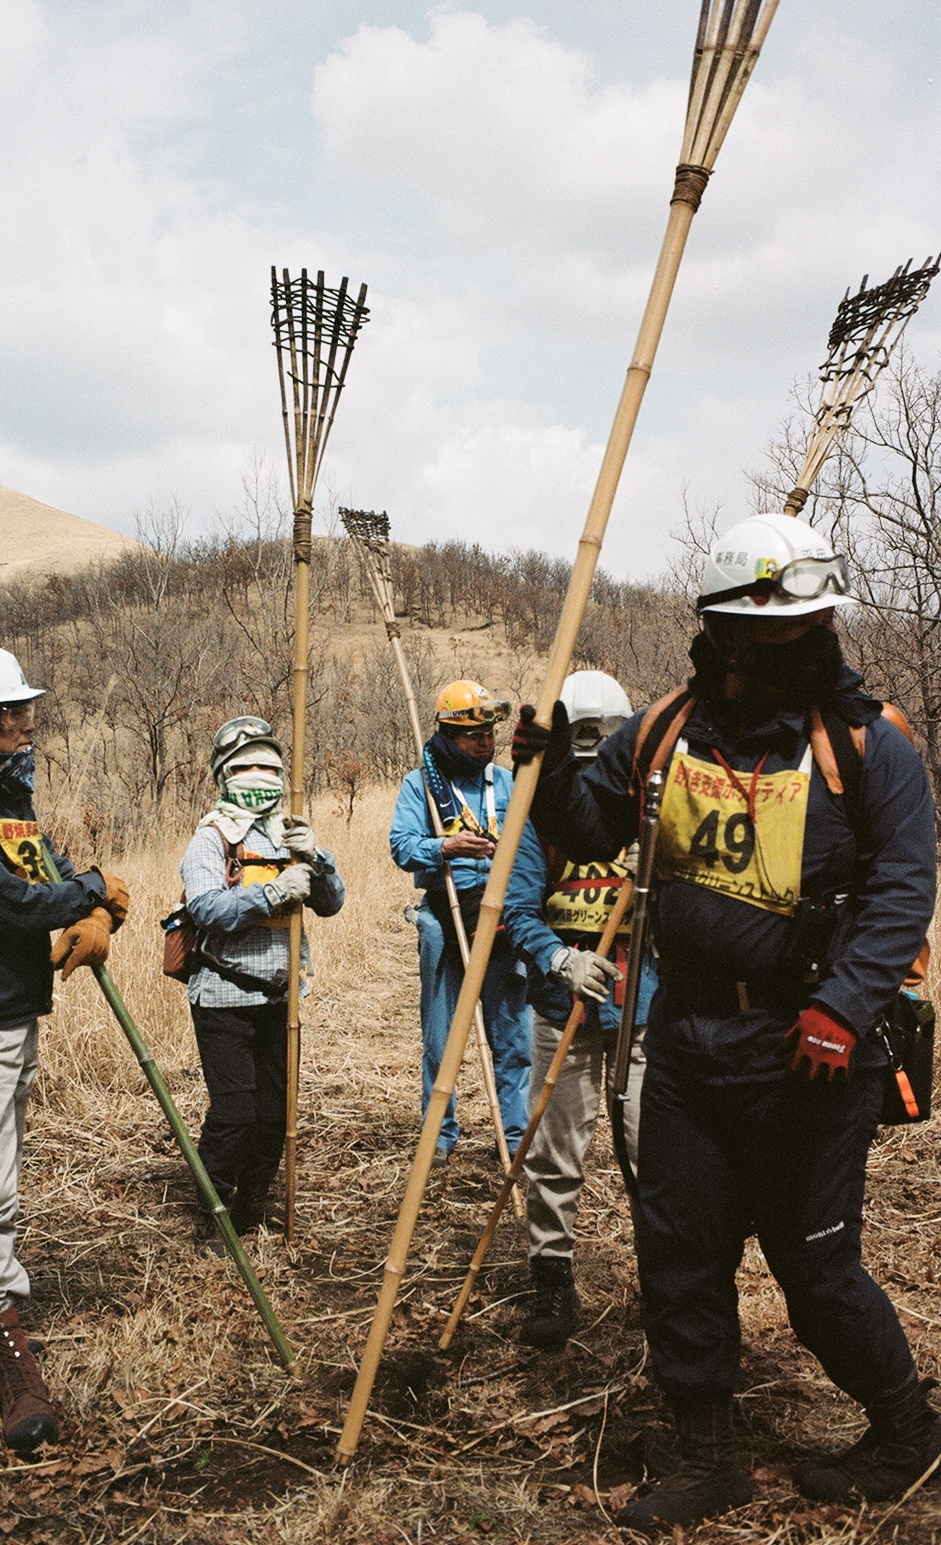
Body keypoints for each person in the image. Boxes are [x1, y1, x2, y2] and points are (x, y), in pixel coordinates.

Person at [513, 513, 940, 1531]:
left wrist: (842, 1008)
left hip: (811, 1056)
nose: (772, 647)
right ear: (717, 629)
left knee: (816, 1267)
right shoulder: (663, 729)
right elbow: (593, 830)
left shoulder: (868, 747)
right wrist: (549, 775)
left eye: (798, 628)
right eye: (754, 630)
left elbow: (902, 890)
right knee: (680, 1257)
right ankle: (708, 1457)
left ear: (821, 627)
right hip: (688, 1046)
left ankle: (907, 1433)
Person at [0, 641, 129, 1453]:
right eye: (12, 712)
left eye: (26, 709)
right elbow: (11, 905)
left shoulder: (4, 799)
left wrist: (92, 906)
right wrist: (90, 891)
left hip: (5, 1016)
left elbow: (47, 872)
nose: (28, 722)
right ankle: (15, 1373)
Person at [503, 671, 657, 1349]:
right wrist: (561, 959)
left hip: (640, 1002)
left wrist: (653, 881)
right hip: (561, 1001)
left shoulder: (648, 811)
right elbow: (516, 908)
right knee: (556, 1147)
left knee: (651, 1147)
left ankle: (666, 1278)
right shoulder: (535, 813)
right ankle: (552, 1278)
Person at [181, 716, 344, 1251]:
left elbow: (331, 903)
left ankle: (252, 1204)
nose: (260, 777)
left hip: (280, 999)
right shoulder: (211, 838)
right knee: (235, 1114)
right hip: (223, 997)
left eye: (269, 768)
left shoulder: (289, 834)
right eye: (245, 767)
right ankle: (213, 1212)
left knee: (274, 1115)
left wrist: (316, 861)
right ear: (224, 775)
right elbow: (207, 908)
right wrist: (275, 892)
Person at [389, 679, 532, 1166]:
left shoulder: (507, 784)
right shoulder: (421, 786)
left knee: (514, 1035)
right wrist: (444, 847)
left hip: (504, 921)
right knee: (440, 1038)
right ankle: (439, 1135)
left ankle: (515, 1137)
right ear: (449, 737)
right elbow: (402, 846)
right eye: (474, 736)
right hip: (446, 916)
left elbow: (533, 845)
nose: (485, 743)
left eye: (490, 734)